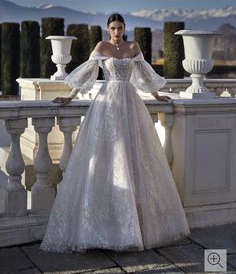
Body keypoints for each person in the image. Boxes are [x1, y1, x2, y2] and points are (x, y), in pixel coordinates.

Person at [40, 13, 190, 253]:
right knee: (105, 158)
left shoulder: (133, 47)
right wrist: (69, 97)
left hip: (130, 103)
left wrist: (157, 95)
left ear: (124, 28)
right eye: (113, 27)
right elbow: (88, 73)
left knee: (132, 158)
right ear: (107, 28)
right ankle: (97, 227)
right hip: (107, 104)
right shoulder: (101, 46)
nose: (117, 31)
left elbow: (143, 74)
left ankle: (134, 227)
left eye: (120, 27)